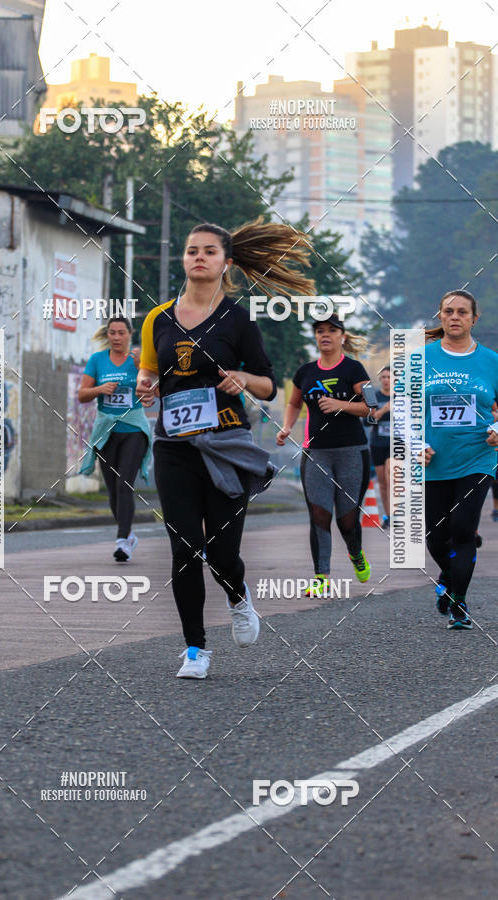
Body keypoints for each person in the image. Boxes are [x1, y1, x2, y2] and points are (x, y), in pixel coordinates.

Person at [136, 219, 313, 679]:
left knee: (220, 552)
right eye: (192, 250)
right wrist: (146, 387)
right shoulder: (158, 318)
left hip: (227, 445)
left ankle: (238, 597)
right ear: (184, 258)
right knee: (184, 548)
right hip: (174, 445)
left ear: (225, 263)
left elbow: (269, 384)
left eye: (209, 251)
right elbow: (150, 373)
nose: (199, 257)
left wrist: (243, 380)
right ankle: (195, 649)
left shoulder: (237, 319)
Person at [277, 315, 373, 596]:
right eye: (320, 331)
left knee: (346, 519)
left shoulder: (354, 368)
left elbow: (371, 406)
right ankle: (322, 577)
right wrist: (286, 427)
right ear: (315, 337)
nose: (325, 335)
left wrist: (341, 404)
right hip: (316, 452)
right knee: (319, 514)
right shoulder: (305, 372)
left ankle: (356, 553)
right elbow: (294, 404)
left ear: (342, 336)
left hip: (351, 452)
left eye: (332, 330)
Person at [423, 290, 498, 629]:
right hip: (433, 460)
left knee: (463, 528)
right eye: (449, 311)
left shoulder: (491, 361)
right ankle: (450, 579)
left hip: (477, 457)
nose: (455, 317)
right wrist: (415, 444)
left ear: (473, 319)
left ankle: (459, 604)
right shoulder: (418, 359)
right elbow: (405, 412)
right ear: (440, 317)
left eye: (462, 312)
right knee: (436, 537)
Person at [78, 316, 151, 562]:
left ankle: (122, 542)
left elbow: (157, 389)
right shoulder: (97, 361)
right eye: (112, 333)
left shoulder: (139, 360)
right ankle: (128, 534)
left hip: (134, 428)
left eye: (121, 333)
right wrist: (100, 389)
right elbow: (82, 395)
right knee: (112, 490)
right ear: (107, 335)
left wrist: (145, 369)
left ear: (130, 334)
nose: (116, 338)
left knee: (124, 485)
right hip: (106, 430)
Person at [368, 365, 392, 528]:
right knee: (383, 483)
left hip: (397, 444)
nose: (386, 380)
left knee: (392, 478)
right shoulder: (374, 397)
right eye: (383, 377)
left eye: (389, 377)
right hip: (378, 444)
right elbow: (368, 420)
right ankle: (388, 515)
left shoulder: (403, 397)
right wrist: (383, 410)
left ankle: (397, 513)